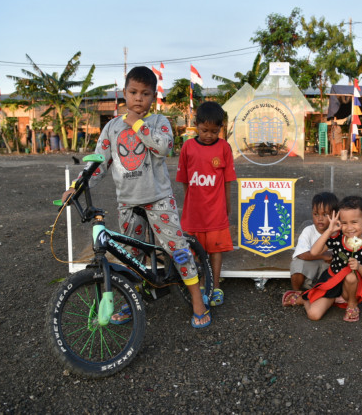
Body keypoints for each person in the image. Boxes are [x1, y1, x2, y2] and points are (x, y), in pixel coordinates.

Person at [62, 66, 211, 328]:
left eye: (145, 93)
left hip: (158, 199)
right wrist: (78, 184)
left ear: (153, 97)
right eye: (133, 92)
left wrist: (137, 124)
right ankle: (133, 299)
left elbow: (163, 147)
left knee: (177, 249)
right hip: (128, 204)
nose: (138, 98)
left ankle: (198, 299)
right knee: (131, 255)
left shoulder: (158, 123)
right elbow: (99, 163)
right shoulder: (111, 129)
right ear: (124, 93)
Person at [283, 196, 362, 322]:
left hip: (351, 288)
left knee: (351, 276)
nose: (349, 228)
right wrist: (329, 231)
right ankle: (304, 299)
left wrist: (359, 267)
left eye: (354, 222)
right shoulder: (338, 238)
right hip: (332, 283)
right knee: (314, 315)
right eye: (344, 223)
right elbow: (314, 252)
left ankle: (352, 305)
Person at [176, 101, 236, 307]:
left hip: (216, 213)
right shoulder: (187, 147)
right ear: (196, 125)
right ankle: (202, 285)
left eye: (214, 131)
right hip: (193, 214)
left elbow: (228, 181)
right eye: (204, 130)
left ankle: (215, 286)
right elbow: (184, 182)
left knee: (215, 251)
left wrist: (227, 207)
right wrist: (189, 204)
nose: (209, 135)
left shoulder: (224, 148)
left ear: (221, 128)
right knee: (195, 251)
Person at [284, 192, 339, 297]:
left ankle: (326, 294)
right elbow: (301, 254)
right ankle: (297, 292)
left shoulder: (338, 232)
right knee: (298, 264)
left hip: (327, 272)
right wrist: (323, 255)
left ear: (334, 215)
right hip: (310, 271)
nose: (320, 218)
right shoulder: (308, 230)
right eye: (316, 214)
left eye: (325, 214)